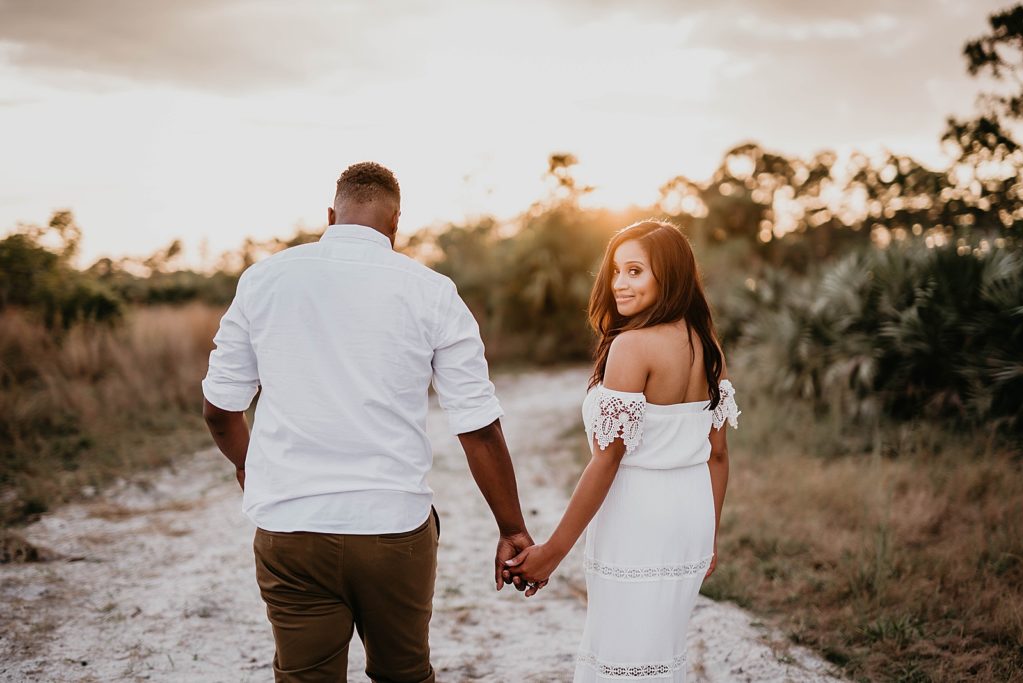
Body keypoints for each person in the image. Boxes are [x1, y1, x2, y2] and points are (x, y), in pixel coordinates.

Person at [201, 161, 537, 683]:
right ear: (396, 224)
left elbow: (220, 410)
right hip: (393, 530)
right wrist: (512, 527)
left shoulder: (263, 280)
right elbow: (477, 425)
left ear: (330, 214)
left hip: (292, 530)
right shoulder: (433, 292)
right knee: (404, 675)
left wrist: (251, 466)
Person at [504, 220, 739, 682]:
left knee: (623, 656)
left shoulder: (632, 346)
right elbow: (718, 456)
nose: (619, 284)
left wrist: (554, 550)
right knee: (659, 652)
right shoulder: (707, 346)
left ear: (667, 277)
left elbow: (606, 460)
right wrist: (708, 536)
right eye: (616, 271)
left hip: (639, 519)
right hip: (691, 518)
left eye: (635, 271)